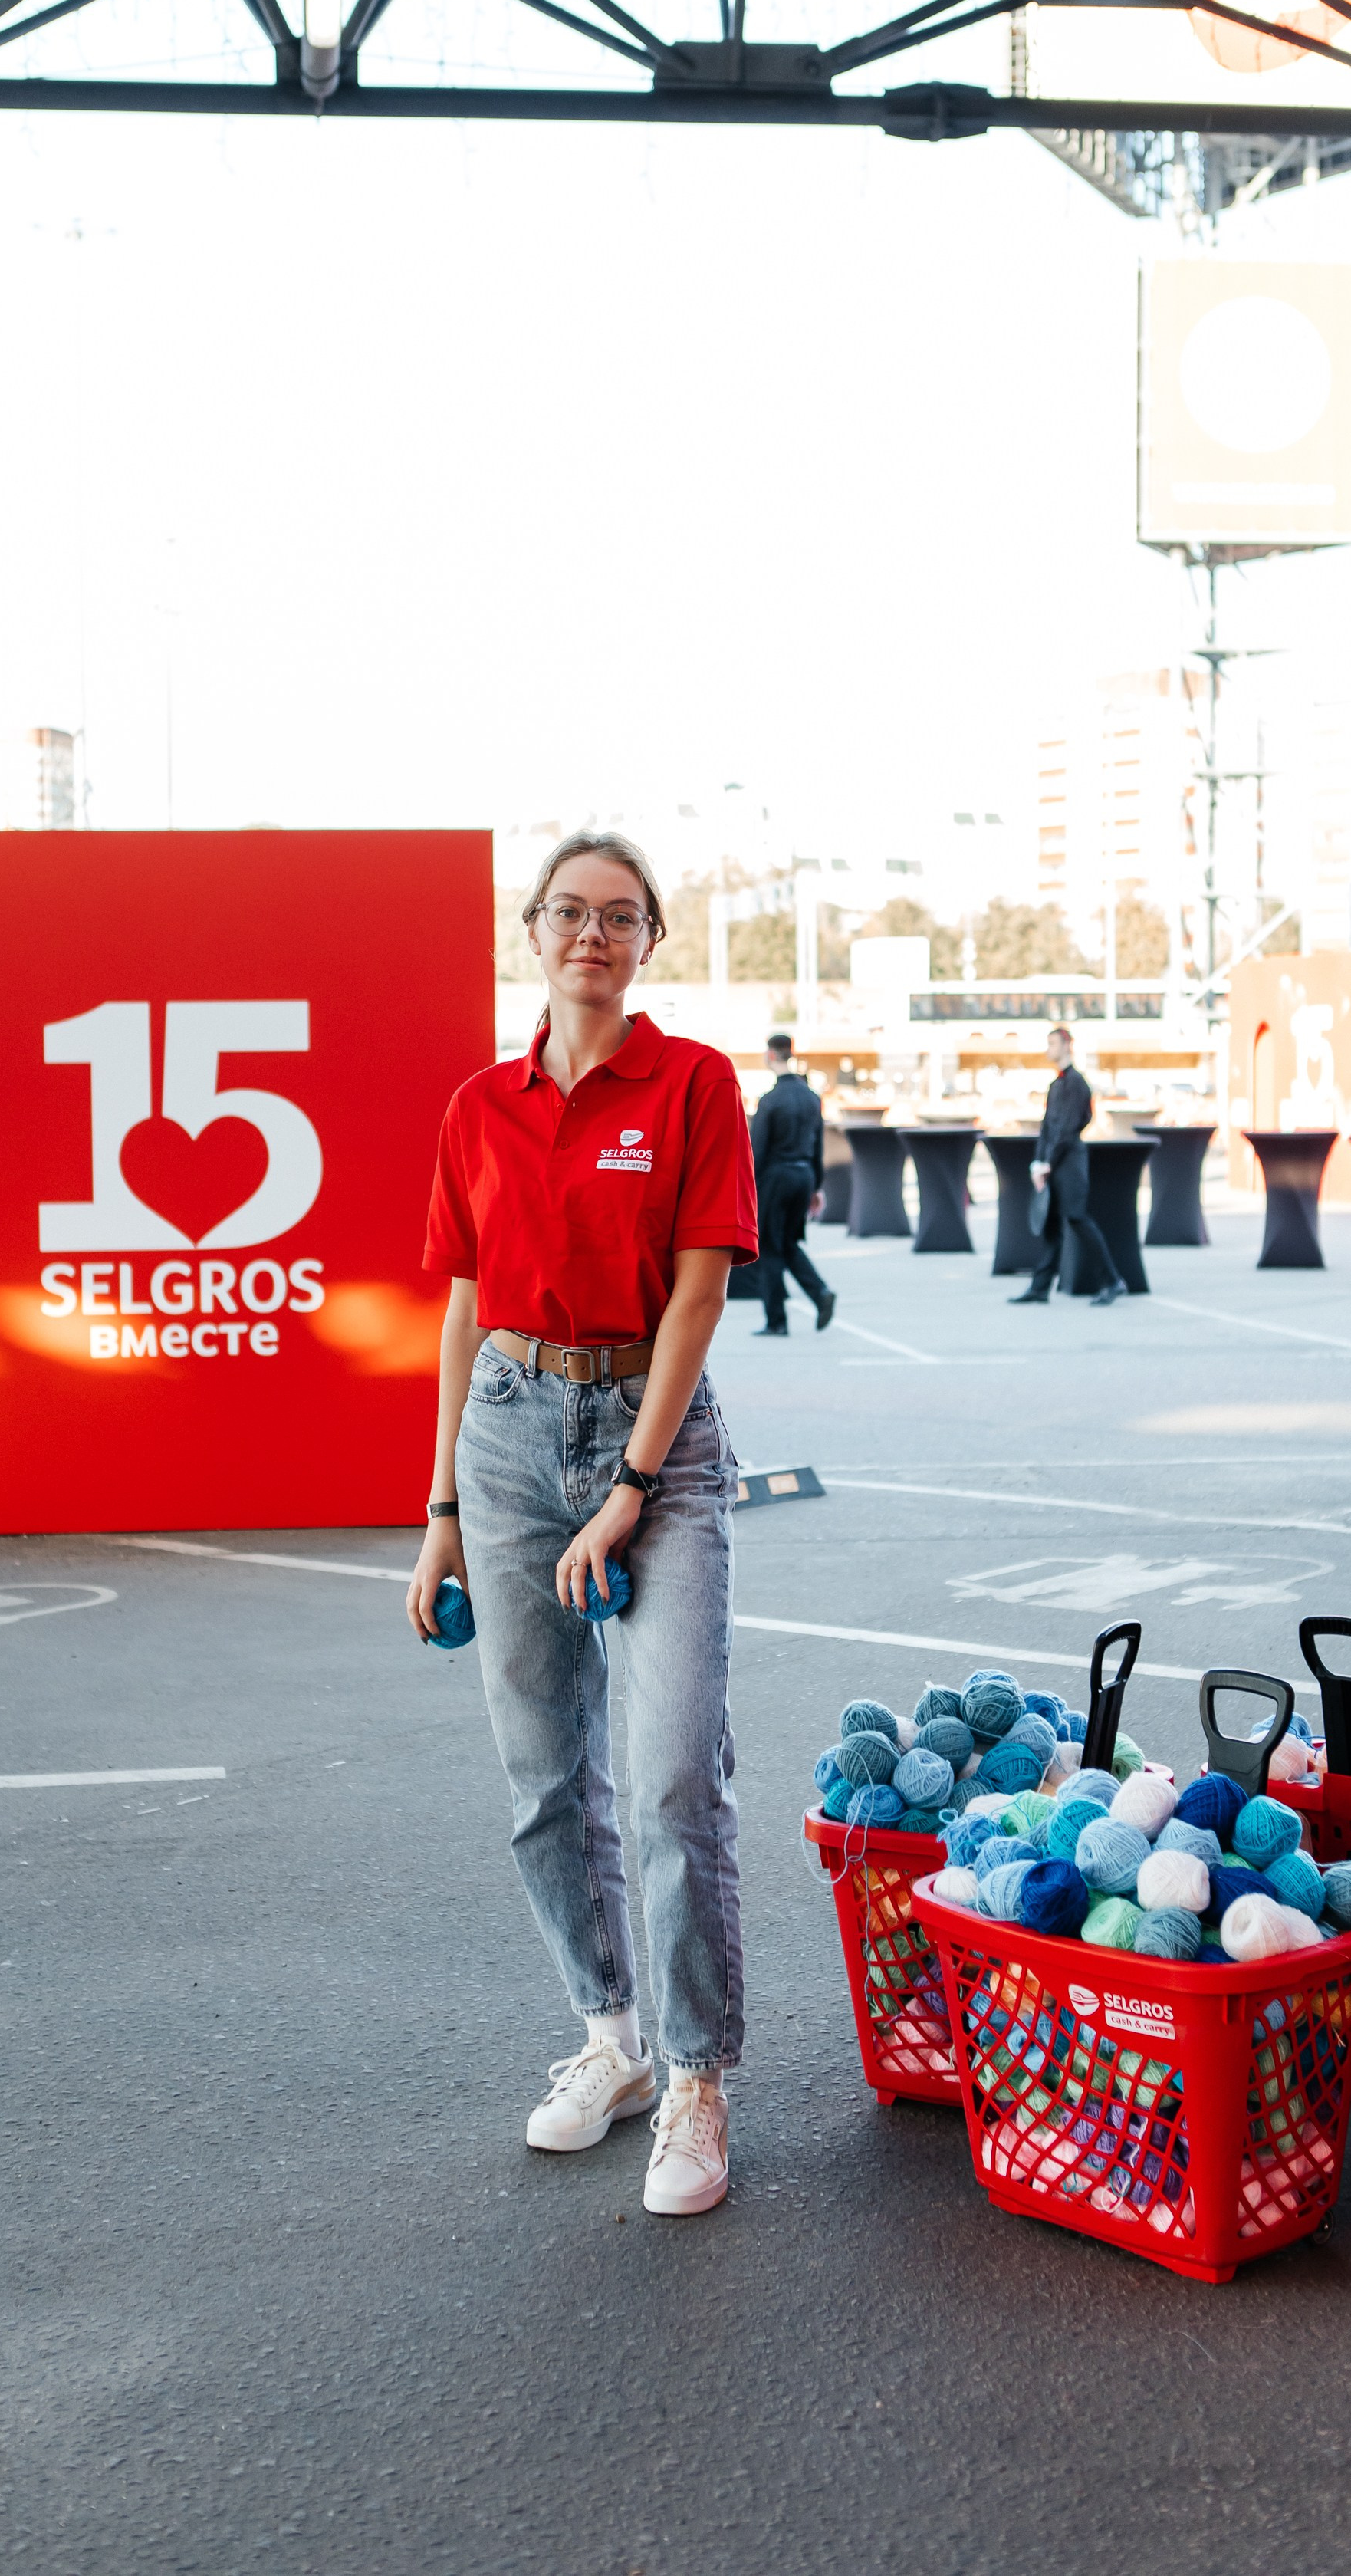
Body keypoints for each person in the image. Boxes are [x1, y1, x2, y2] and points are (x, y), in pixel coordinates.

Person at [406, 830, 756, 2218]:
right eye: (568, 913)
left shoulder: (691, 1085)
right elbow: (459, 1309)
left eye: (620, 918)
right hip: (501, 1437)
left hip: (649, 1447)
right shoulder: (476, 1106)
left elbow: (697, 1295)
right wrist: (438, 1510)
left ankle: (695, 2074)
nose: (591, 937)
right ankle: (610, 2037)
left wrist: (626, 1491)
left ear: (651, 942)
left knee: (669, 1777)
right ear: (531, 933)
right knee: (542, 1778)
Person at [1011, 1024, 1126, 1307]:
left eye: (1053, 1043)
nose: (1049, 1049)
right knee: (1051, 1226)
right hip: (1053, 1165)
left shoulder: (1076, 1084)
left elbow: (1070, 1128)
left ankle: (1112, 1281)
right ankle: (1040, 1288)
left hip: (1070, 1164)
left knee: (1077, 1218)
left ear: (1067, 1045)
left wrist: (1048, 1163)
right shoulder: (1056, 1085)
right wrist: (1038, 1163)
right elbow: (1047, 1128)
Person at [748, 1033, 836, 1337]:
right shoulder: (812, 1097)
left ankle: (777, 1321)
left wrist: (748, 1189)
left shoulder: (770, 1101)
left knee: (771, 1247)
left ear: (771, 1055)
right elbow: (818, 1146)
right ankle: (820, 1293)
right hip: (804, 1178)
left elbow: (756, 1151)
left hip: (776, 1178)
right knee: (788, 1243)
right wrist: (817, 1187)